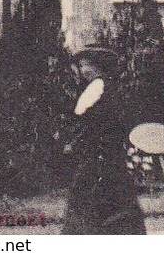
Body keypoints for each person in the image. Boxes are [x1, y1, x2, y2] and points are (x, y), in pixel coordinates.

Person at [62, 43, 145, 235]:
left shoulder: (101, 88)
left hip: (101, 158)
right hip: (101, 158)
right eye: (81, 66)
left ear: (97, 66)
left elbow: (99, 125)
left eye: (86, 65)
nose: (82, 70)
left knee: (92, 201)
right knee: (111, 202)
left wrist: (77, 143)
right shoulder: (96, 88)